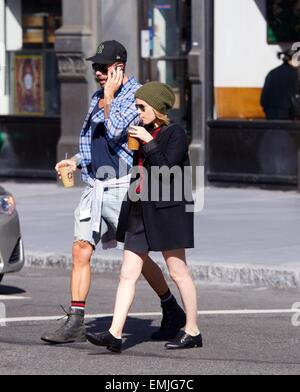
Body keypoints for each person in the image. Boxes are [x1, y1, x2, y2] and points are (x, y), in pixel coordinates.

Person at [41, 42, 185, 345]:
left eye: (103, 67)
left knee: (138, 256)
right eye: (96, 67)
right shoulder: (97, 96)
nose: (98, 72)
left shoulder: (139, 96)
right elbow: (95, 141)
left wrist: (108, 99)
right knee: (81, 248)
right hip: (96, 185)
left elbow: (118, 129)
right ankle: (76, 320)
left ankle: (171, 308)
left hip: (123, 186)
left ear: (119, 67)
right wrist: (76, 161)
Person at [86, 82, 203, 353]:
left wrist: (148, 142)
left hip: (169, 210)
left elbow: (166, 169)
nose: (138, 113)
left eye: (142, 107)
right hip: (141, 207)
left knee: (178, 272)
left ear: (158, 108)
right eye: (137, 107)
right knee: (127, 273)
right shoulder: (142, 131)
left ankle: (192, 330)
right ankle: (115, 333)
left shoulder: (175, 133)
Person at [261, 48, 300, 120]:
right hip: (287, 117)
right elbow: (296, 98)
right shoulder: (294, 75)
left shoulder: (272, 73)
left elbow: (263, 99)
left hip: (270, 116)